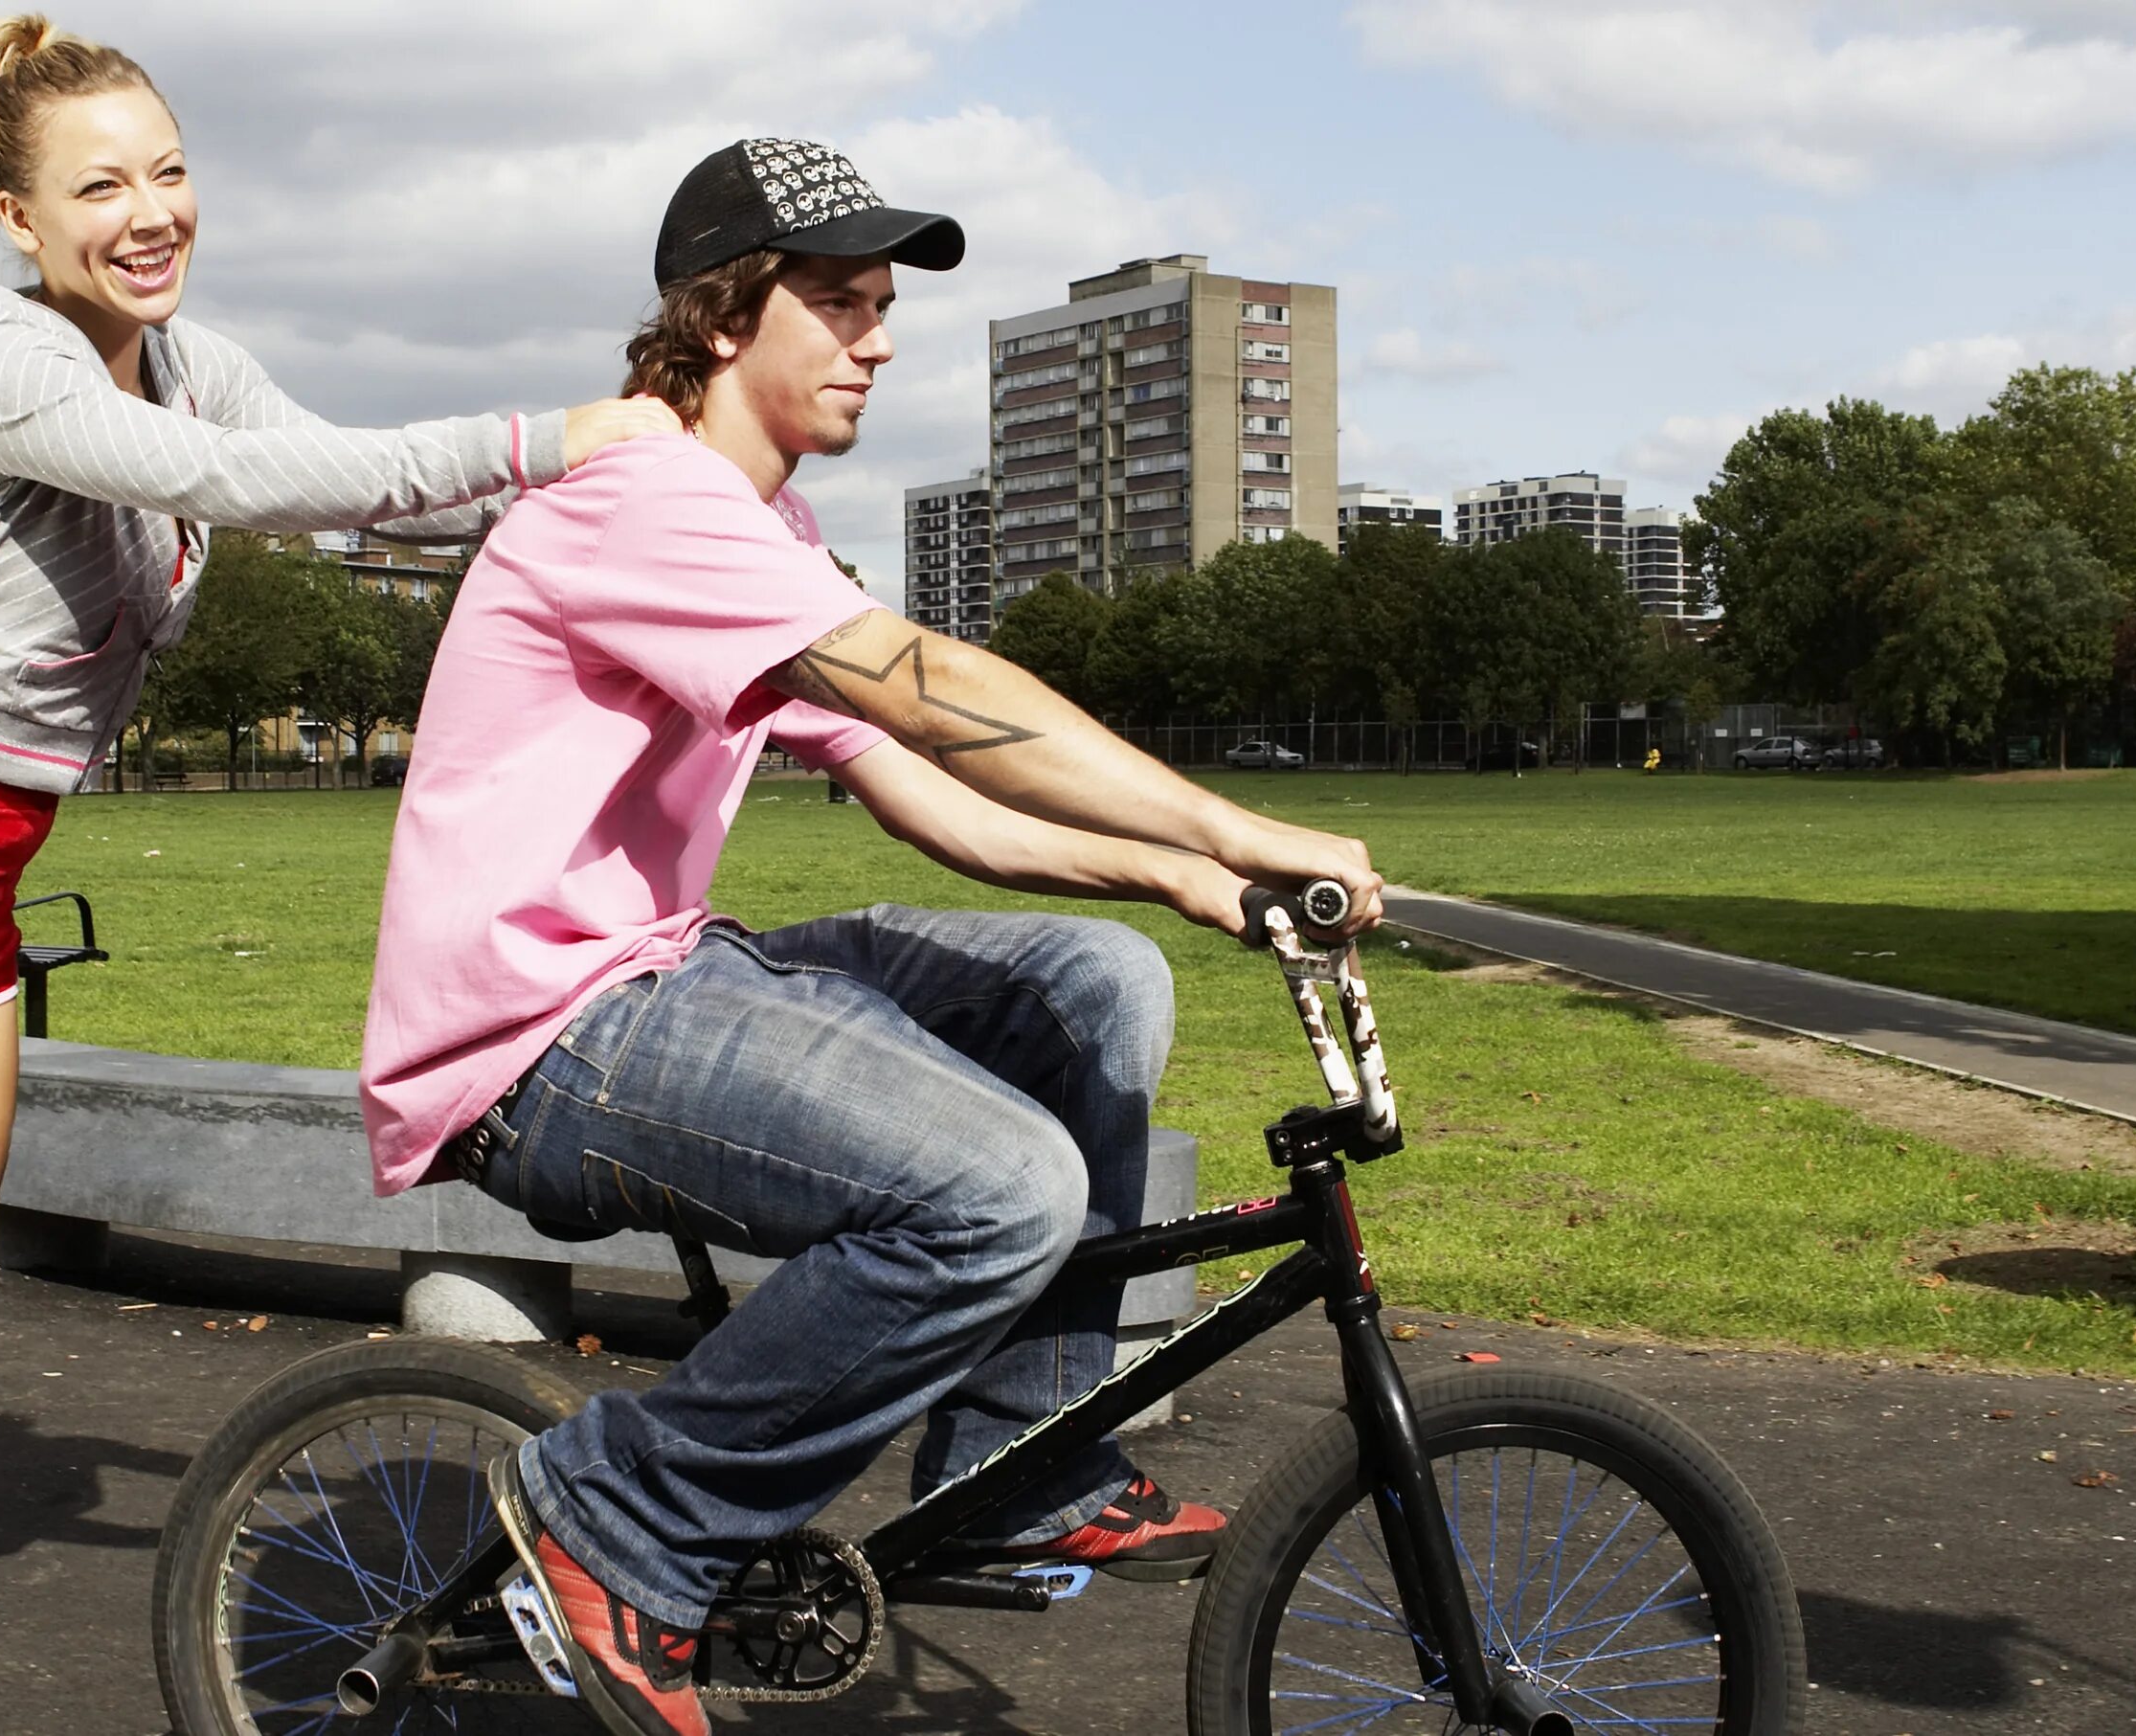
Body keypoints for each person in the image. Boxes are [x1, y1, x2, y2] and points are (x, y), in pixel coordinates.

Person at [0, 17, 675, 1736]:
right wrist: (544, 432)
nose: (149, 212)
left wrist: (666, 481)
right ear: (18, 216)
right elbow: (234, 486)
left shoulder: (188, 356)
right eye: (100, 186)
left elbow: (338, 487)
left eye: (168, 172)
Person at [360, 138, 1383, 1736]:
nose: (880, 338)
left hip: (663, 966)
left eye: (883, 304)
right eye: (837, 302)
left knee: (1096, 982)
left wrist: (1178, 882)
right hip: (534, 1036)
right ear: (718, 321)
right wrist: (1234, 824)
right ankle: (618, 1516)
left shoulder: (768, 526)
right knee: (1001, 1189)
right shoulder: (645, 498)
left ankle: (1014, 1453)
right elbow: (925, 684)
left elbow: (931, 790)